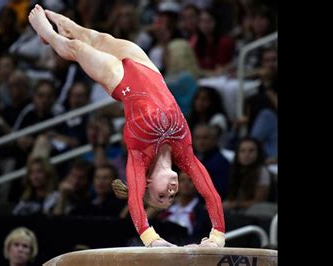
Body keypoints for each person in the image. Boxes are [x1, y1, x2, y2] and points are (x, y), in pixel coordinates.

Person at [28, 4, 225, 248]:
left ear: (149, 184)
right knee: (96, 37)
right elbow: (210, 193)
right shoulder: (183, 154)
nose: (172, 190)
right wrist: (217, 236)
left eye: (162, 195)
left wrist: (150, 239)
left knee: (76, 48)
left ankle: (48, 35)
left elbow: (134, 198)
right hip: (149, 70)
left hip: (120, 80)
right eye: (171, 196)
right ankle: (66, 25)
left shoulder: (140, 155)